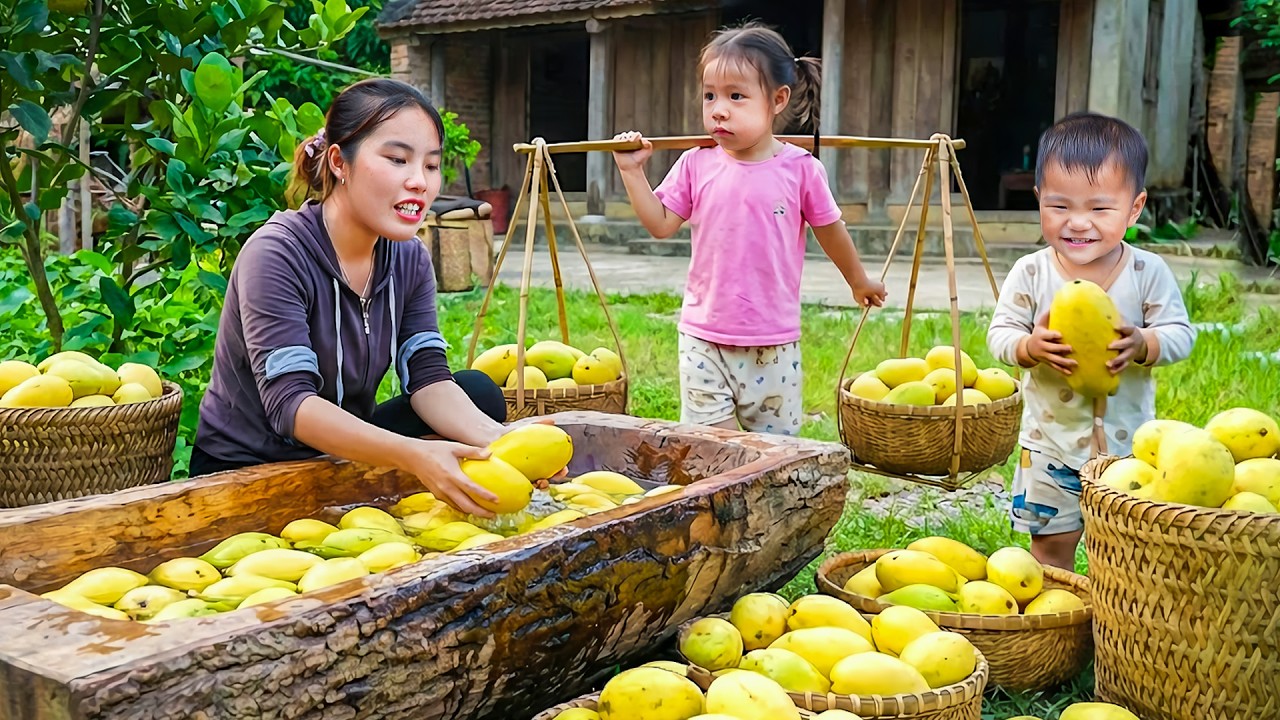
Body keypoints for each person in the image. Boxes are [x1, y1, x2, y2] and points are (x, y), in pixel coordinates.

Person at [192, 78, 512, 517]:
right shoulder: (277, 253)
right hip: (251, 462)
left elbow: (428, 377)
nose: (419, 181)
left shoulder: (408, 257)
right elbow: (291, 405)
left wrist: (501, 444)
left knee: (478, 395)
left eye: (432, 165)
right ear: (340, 162)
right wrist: (412, 454)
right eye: (398, 159)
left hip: (339, 453)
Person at [610, 22, 886, 436]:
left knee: (771, 456)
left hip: (771, 342)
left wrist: (859, 280)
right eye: (710, 96)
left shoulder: (800, 170)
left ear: (777, 100)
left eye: (736, 96)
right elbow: (661, 224)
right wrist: (632, 172)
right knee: (709, 448)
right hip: (703, 337)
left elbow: (831, 231)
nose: (719, 109)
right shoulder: (695, 164)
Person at [988, 112, 1196, 569]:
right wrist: (1029, 347)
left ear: (1135, 208)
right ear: (1039, 199)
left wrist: (1144, 342)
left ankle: (1112, 622)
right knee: (1049, 550)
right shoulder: (1032, 271)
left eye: (1099, 209)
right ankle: (1058, 622)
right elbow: (999, 334)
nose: (1078, 223)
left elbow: (1182, 335)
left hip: (1127, 450)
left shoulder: (1147, 273)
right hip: (1049, 443)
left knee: (1125, 554)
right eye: (1060, 207)